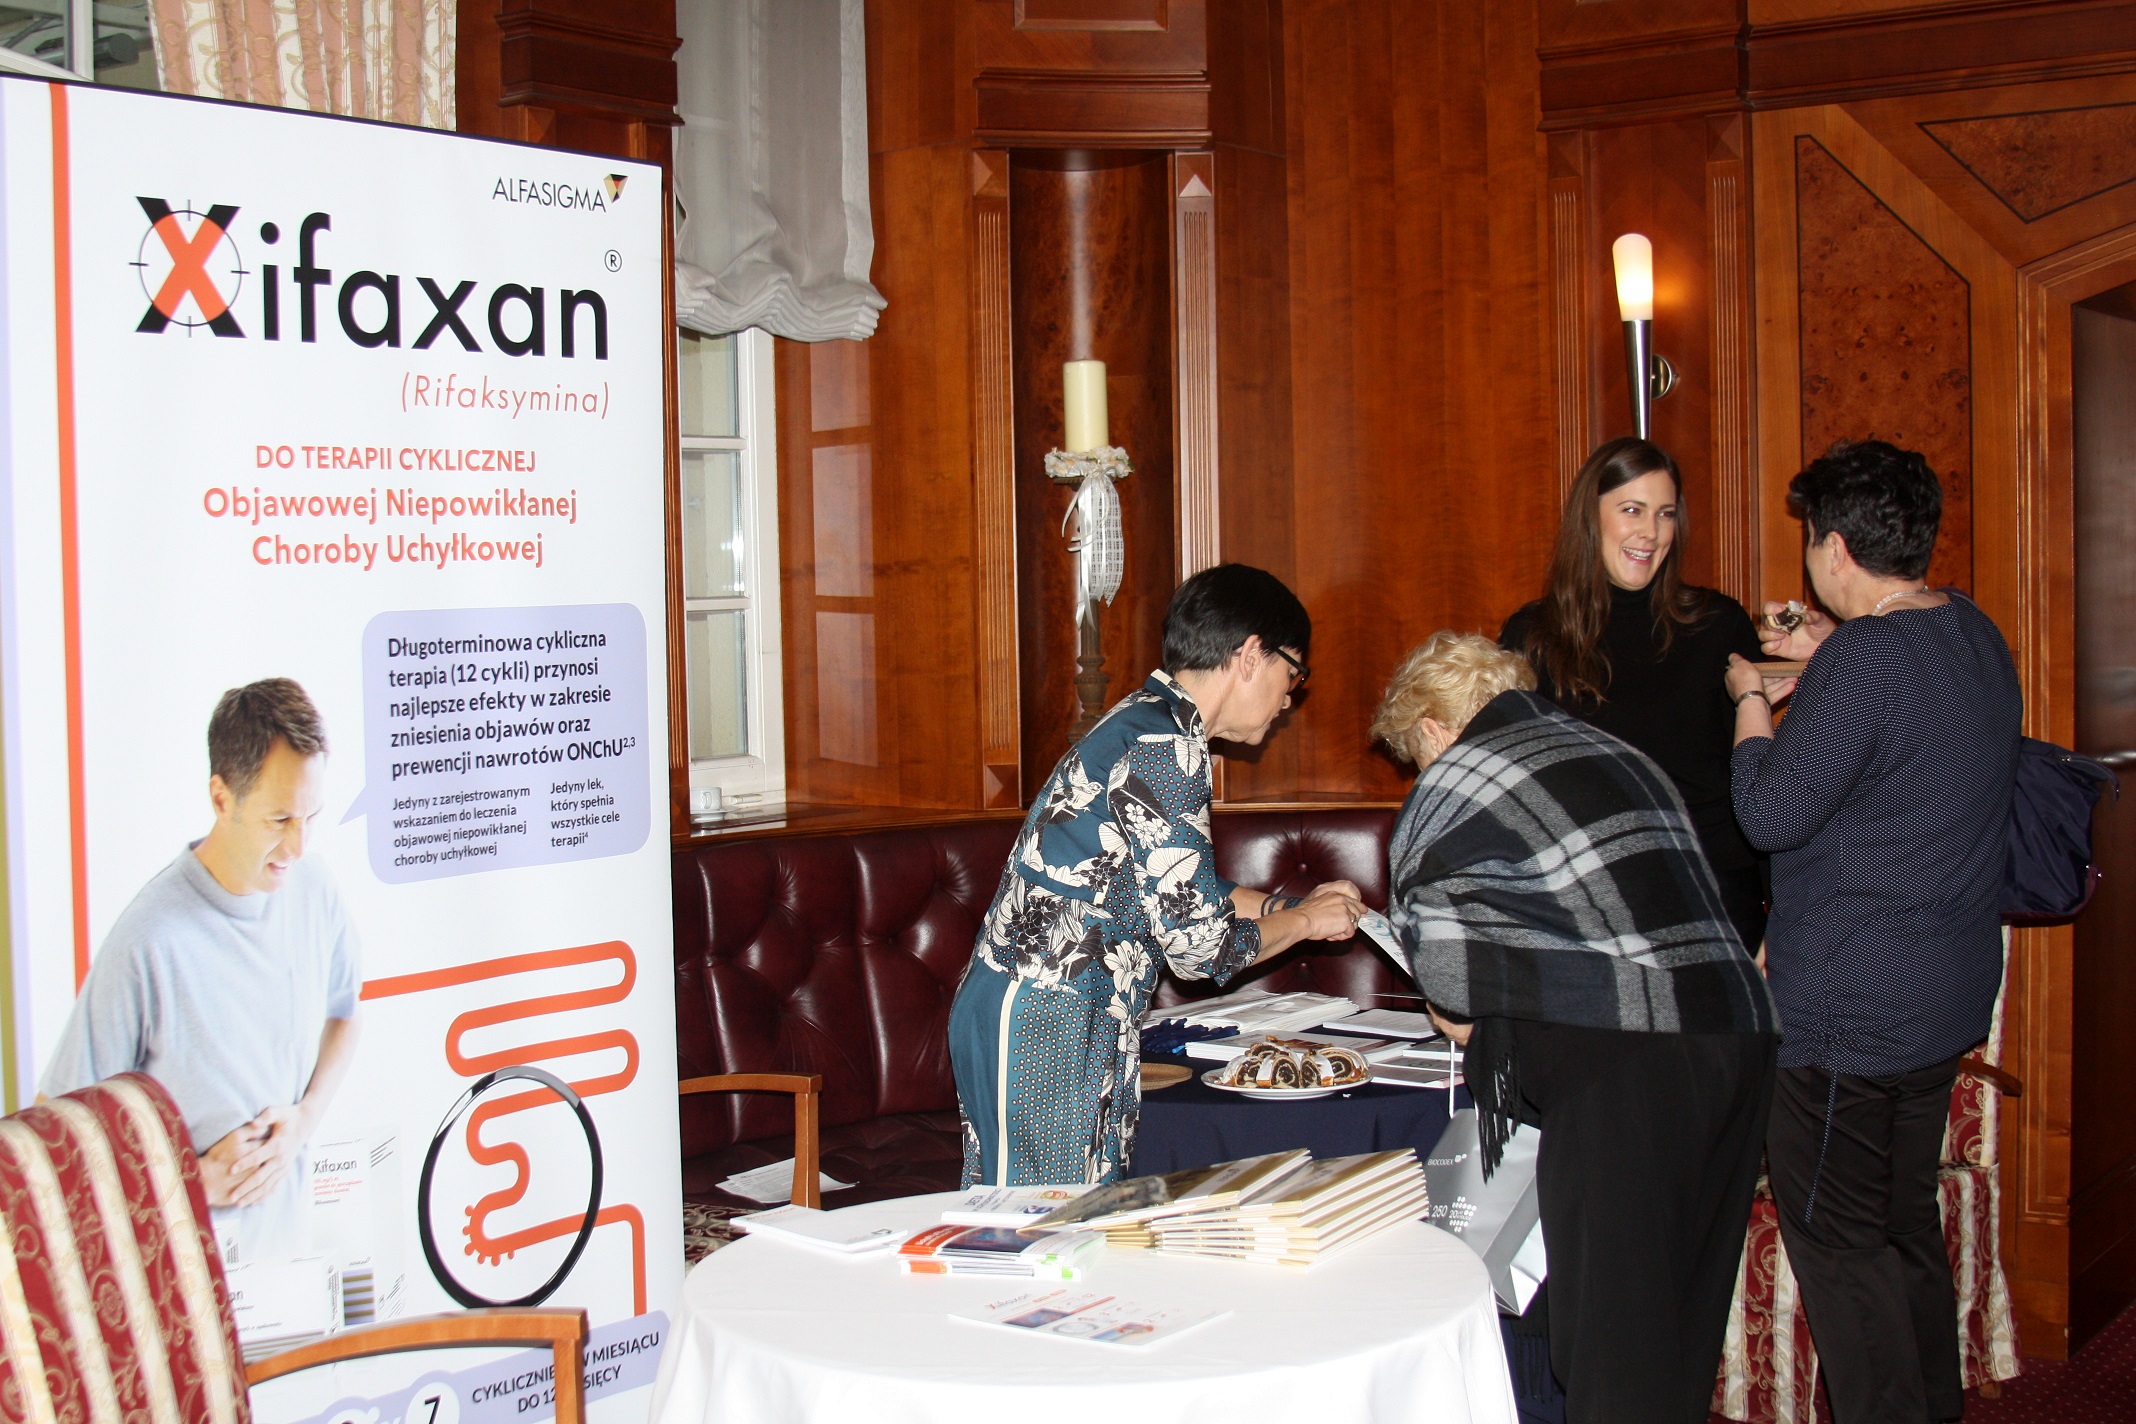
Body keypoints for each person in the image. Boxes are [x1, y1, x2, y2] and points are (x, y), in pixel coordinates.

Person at [1376, 631, 1778, 1424]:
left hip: (1626, 1070)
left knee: (1613, 1353)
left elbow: (1450, 988)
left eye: (1415, 757)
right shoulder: (1619, 753)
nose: (1422, 774)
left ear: (1431, 727)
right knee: (1682, 1330)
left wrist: (1461, 1010)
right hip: (1740, 1037)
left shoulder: (1457, 775)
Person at [1727, 440, 2020, 1424]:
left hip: (1849, 1012)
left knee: (1841, 1246)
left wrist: (1752, 704)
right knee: (1900, 1225)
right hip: (1941, 995)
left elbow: (1770, 813)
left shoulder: (1866, 658)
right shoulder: (1970, 629)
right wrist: (1826, 649)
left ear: (1834, 547)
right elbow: (1905, 747)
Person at [949, 564, 1365, 1187]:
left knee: (1064, 1224)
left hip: (1048, 1013)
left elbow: (1180, 892)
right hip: (1049, 1020)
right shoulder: (1166, 747)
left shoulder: (1150, 721)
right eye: (1293, 674)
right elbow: (1201, 951)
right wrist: (1306, 923)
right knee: (1045, 1229)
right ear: (1252, 655)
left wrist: (1289, 908)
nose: (1288, 698)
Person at [40, 678, 361, 1264]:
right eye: (278, 820)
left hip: (292, 1274)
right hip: (186, 1285)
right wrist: (192, 1183)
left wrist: (305, 1120)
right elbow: (54, 1142)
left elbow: (345, 1014)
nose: (297, 846)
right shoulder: (147, 941)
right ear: (221, 798)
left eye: (310, 816)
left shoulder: (314, 889)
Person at [1500, 437, 1769, 952]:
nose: (1651, 531)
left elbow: (1761, 777)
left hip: (1713, 899)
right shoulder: (1534, 635)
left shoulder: (1718, 623)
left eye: (1665, 514)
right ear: (1590, 517)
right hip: (1590, 901)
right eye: (1632, 510)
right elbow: (1513, 788)